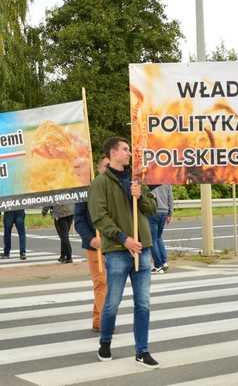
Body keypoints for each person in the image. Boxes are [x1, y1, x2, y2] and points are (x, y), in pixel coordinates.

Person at [88, 136, 159, 368]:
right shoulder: (100, 182)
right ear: (112, 153)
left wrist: (138, 196)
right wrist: (124, 238)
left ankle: (142, 350)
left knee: (143, 303)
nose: (129, 153)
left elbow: (151, 208)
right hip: (118, 250)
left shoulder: (136, 180)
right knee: (112, 303)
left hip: (143, 247)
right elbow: (99, 216)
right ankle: (105, 342)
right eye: (125, 149)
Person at [74, 156, 110, 332]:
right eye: (105, 166)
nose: (109, 169)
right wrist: (91, 239)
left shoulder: (118, 188)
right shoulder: (87, 190)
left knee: (109, 283)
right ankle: (105, 322)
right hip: (95, 245)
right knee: (101, 282)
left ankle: (98, 319)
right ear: (98, 168)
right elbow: (79, 220)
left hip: (115, 244)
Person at [148, 184, 173, 274]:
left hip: (153, 211)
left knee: (152, 239)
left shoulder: (149, 179)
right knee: (158, 237)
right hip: (164, 211)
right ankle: (164, 262)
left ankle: (158, 265)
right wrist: (170, 213)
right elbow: (170, 197)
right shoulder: (167, 181)